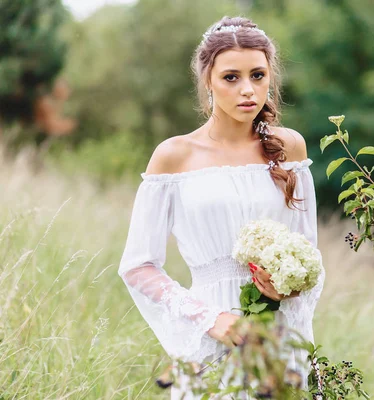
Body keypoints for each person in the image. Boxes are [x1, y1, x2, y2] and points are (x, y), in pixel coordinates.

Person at [117, 15, 326, 399]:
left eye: (258, 75)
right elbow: (138, 266)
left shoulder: (289, 148)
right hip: (211, 338)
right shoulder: (173, 156)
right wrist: (212, 320)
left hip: (277, 338)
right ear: (208, 80)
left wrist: (287, 290)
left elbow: (307, 250)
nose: (247, 90)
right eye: (231, 77)